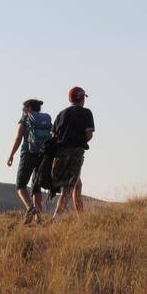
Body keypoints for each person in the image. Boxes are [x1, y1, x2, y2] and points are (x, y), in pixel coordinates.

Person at [51, 86, 95, 221]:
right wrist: (78, 141)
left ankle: (81, 217)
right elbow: (88, 135)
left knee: (77, 184)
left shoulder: (61, 113)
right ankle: (56, 219)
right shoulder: (86, 113)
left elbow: (53, 134)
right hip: (75, 154)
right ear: (81, 98)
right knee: (69, 187)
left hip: (59, 154)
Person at [6, 99, 52, 224]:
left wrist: (11, 155)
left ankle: (30, 207)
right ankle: (39, 217)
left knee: (20, 185)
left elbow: (18, 137)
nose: (22, 109)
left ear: (29, 107)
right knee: (36, 186)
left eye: (24, 107)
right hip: (42, 154)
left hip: (28, 153)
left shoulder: (25, 118)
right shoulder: (44, 119)